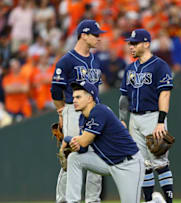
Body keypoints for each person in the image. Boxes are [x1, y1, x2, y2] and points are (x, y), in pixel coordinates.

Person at [61, 81, 145, 203]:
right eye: (73, 97)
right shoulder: (82, 118)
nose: (74, 100)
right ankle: (72, 201)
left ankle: (156, 201)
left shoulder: (99, 111)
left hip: (129, 163)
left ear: (90, 98)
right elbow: (82, 148)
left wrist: (67, 139)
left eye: (78, 97)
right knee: (75, 158)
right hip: (107, 163)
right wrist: (74, 144)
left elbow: (84, 141)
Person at [50, 19, 105, 203]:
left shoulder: (95, 60)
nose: (99, 38)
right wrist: (62, 112)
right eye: (95, 34)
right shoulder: (66, 61)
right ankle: (64, 200)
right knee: (71, 157)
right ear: (83, 35)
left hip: (94, 112)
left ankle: (92, 200)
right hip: (72, 112)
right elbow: (55, 90)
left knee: (95, 158)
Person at [119, 29, 174, 203]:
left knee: (160, 162)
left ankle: (169, 200)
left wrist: (160, 122)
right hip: (134, 118)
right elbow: (123, 97)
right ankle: (149, 200)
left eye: (135, 43)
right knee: (142, 164)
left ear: (147, 43)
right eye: (130, 43)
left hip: (153, 116)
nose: (131, 46)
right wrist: (122, 119)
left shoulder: (159, 65)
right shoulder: (130, 68)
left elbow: (165, 94)